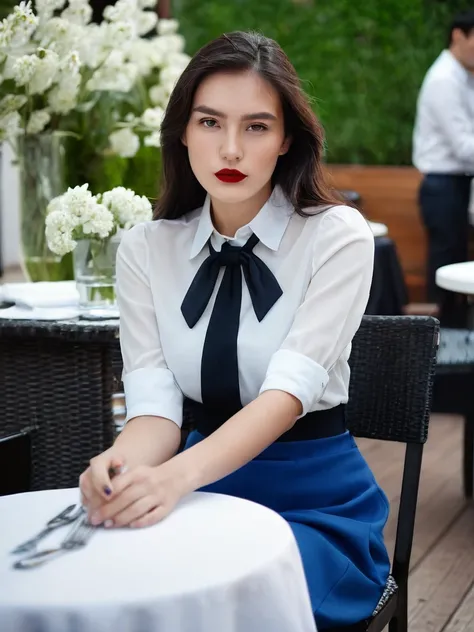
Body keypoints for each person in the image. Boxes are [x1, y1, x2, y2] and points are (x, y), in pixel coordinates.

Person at [79, 31, 390, 629]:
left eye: (255, 126)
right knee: (114, 588)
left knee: (219, 607)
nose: (230, 149)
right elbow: (154, 411)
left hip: (314, 505)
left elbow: (284, 399)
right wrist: (120, 469)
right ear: (183, 132)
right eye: (209, 122)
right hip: (202, 498)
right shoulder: (146, 249)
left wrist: (171, 480)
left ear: (285, 140)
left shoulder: (338, 237)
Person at [413, 10, 474, 306]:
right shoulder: (445, 79)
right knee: (446, 268)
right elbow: (464, 146)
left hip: (454, 185)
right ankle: (444, 342)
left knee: (455, 261)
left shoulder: (461, 76)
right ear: (458, 35)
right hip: (443, 187)